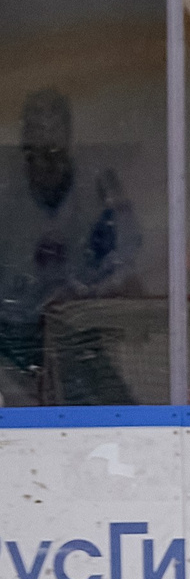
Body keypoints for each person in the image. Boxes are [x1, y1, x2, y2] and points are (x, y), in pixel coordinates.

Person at [0, 88, 140, 405]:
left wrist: (85, 290)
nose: (44, 131)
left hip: (75, 326)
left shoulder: (98, 186)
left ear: (68, 131)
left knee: (111, 401)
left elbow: (125, 248)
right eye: (36, 123)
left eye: (53, 121)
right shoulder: (6, 186)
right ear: (23, 133)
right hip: (10, 332)